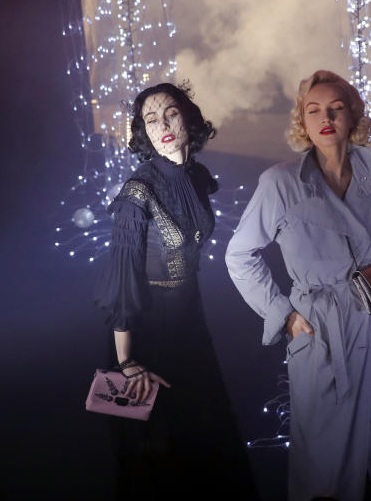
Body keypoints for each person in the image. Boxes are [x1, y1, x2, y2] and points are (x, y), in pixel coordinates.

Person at [225, 71, 371, 501]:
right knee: (324, 458)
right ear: (302, 121)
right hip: (322, 329)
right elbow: (239, 255)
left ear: (352, 114)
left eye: (335, 108)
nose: (325, 118)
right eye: (313, 110)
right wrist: (285, 316)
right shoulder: (280, 183)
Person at [93, 82, 258, 499]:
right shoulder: (138, 192)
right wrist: (127, 361)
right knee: (161, 459)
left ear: (188, 117)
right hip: (146, 331)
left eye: (170, 114)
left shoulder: (197, 176)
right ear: (142, 132)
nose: (162, 125)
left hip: (190, 322)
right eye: (151, 120)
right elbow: (124, 278)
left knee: (208, 441)